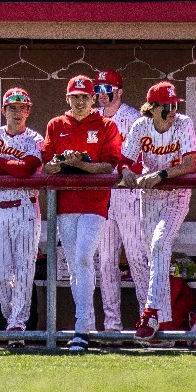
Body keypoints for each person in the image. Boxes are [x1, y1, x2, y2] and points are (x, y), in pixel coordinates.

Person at [41, 75, 123, 352]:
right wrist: (58, 164)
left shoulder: (106, 125)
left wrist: (82, 165)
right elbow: (46, 163)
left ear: (93, 99)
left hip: (94, 202)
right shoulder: (56, 124)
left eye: (84, 97)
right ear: (68, 99)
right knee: (75, 266)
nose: (79, 102)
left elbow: (110, 166)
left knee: (84, 257)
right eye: (75, 97)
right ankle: (85, 325)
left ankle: (80, 327)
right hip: (65, 203)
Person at [121, 82, 196, 344]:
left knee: (159, 245)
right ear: (152, 108)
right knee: (153, 256)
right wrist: (126, 171)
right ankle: (164, 326)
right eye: (167, 106)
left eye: (175, 105)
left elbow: (191, 163)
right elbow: (125, 159)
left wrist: (162, 174)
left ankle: (151, 313)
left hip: (176, 193)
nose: (173, 110)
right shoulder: (140, 126)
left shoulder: (183, 123)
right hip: (150, 196)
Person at [0, 88, 44, 348]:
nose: (17, 112)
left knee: (24, 271)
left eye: (22, 108)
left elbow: (26, 169)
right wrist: (10, 165)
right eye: (12, 108)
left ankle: (17, 324)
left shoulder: (34, 137)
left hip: (25, 207)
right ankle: (10, 314)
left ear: (28, 110)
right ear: (3, 110)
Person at [92, 69, 148, 337]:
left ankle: (146, 321)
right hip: (103, 194)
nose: (102, 96)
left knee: (138, 258)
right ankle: (112, 326)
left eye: (107, 90)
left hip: (129, 194)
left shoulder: (133, 118)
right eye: (98, 90)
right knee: (105, 262)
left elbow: (139, 160)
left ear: (119, 91)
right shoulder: (93, 119)